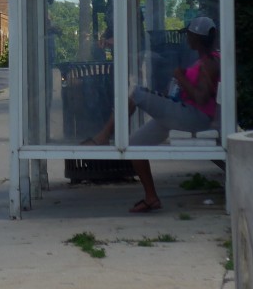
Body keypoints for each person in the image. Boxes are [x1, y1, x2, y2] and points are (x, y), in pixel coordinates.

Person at [83, 16, 221, 213]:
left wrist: (181, 77)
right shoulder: (204, 60)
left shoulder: (210, 63)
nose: (186, 39)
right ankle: (151, 198)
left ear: (197, 38)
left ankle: (103, 137)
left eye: (188, 35)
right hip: (183, 112)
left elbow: (200, 98)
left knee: (136, 93)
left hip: (194, 117)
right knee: (134, 145)